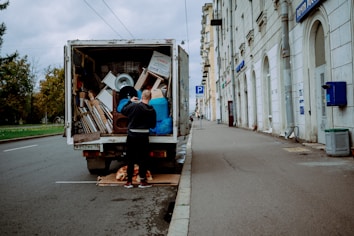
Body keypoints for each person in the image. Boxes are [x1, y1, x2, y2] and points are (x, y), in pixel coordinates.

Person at [121, 89, 157, 188]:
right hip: (144, 136)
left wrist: (130, 101)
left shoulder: (133, 106)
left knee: (130, 159)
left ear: (141, 97)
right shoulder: (152, 110)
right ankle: (142, 181)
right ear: (150, 98)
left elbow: (123, 110)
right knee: (143, 159)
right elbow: (153, 125)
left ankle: (129, 182)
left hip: (132, 135)